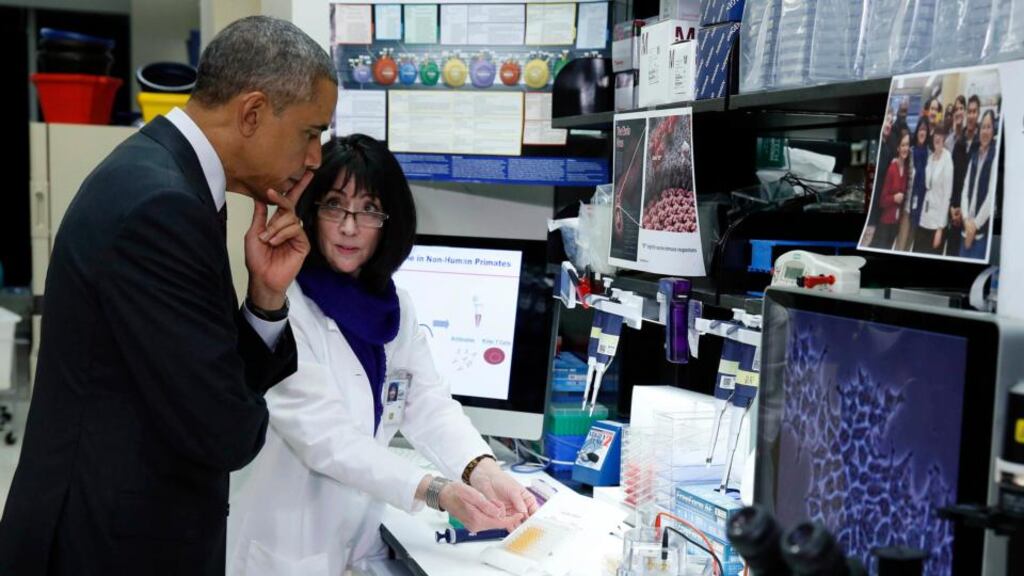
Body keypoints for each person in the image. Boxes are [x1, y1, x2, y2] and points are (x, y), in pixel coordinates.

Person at [0, 17, 337, 576]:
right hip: (105, 546)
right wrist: (243, 410)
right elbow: (226, 430)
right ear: (252, 113)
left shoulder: (166, 175)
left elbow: (203, 378)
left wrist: (266, 298)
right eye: (311, 132)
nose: (315, 159)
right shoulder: (161, 205)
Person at [228, 135, 537, 576]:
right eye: (335, 205)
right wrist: (436, 491)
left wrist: (482, 469)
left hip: (356, 540)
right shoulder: (284, 306)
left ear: (389, 221)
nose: (350, 227)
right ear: (312, 211)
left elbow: (427, 403)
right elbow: (328, 440)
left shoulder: (394, 307)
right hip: (284, 550)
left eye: (369, 209)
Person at [959, 110, 998, 260]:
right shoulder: (974, 156)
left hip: (980, 235)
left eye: (989, 127)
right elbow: (964, 191)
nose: (985, 131)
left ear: (993, 130)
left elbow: (991, 197)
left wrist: (974, 226)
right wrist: (966, 220)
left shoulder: (994, 156)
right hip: (965, 229)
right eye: (983, 127)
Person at [949, 94, 981, 255]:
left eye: (975, 111)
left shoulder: (982, 145)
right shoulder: (959, 143)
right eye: (970, 111)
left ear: (978, 114)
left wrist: (964, 210)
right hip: (954, 213)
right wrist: (952, 207)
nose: (971, 115)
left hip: (970, 216)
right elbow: (952, 179)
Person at [914, 125, 954, 254]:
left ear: (944, 138)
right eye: (936, 135)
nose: (937, 138)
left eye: (940, 135)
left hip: (936, 223)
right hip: (924, 218)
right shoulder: (930, 158)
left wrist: (940, 229)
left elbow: (947, 196)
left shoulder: (947, 159)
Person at [872, 130, 911, 250]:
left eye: (907, 145)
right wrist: (894, 198)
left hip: (895, 225)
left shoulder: (906, 169)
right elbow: (882, 200)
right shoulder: (892, 169)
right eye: (903, 145)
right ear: (898, 148)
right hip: (885, 225)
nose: (905, 148)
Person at [899, 116, 930, 251]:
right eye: (920, 129)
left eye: (925, 129)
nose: (922, 132)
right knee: (901, 243)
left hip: (920, 210)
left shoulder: (930, 154)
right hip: (907, 207)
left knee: (909, 246)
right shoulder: (910, 152)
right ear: (917, 131)